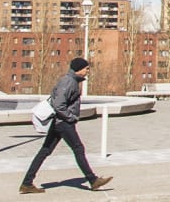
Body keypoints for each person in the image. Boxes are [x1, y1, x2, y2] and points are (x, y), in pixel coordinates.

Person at [19, 57, 112, 195]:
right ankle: (92, 180)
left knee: (44, 151)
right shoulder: (69, 82)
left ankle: (27, 183)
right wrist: (71, 117)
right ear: (79, 69)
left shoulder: (70, 81)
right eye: (86, 68)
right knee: (78, 148)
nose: (88, 71)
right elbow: (58, 105)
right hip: (63, 123)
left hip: (59, 122)